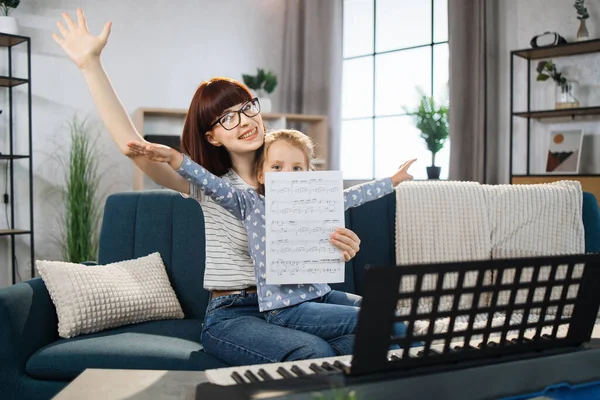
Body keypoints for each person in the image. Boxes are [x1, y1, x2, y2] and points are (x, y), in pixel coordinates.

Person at [52, 9, 366, 366]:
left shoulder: (291, 177)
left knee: (391, 328)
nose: (245, 121)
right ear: (212, 136)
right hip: (235, 313)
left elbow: (315, 252)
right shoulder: (209, 185)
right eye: (228, 117)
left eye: (248, 108)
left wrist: (340, 246)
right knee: (314, 352)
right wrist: (90, 64)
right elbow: (132, 146)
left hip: (299, 304)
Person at [126, 128, 416, 342]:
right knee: (380, 319)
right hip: (285, 309)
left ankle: (418, 375)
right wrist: (177, 159)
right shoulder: (249, 203)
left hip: (322, 294)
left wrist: (393, 180)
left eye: (297, 168)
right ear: (262, 174)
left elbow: (354, 195)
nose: (287, 174)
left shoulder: (316, 201)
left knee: (389, 313)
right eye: (277, 167)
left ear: (308, 173)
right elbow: (211, 184)